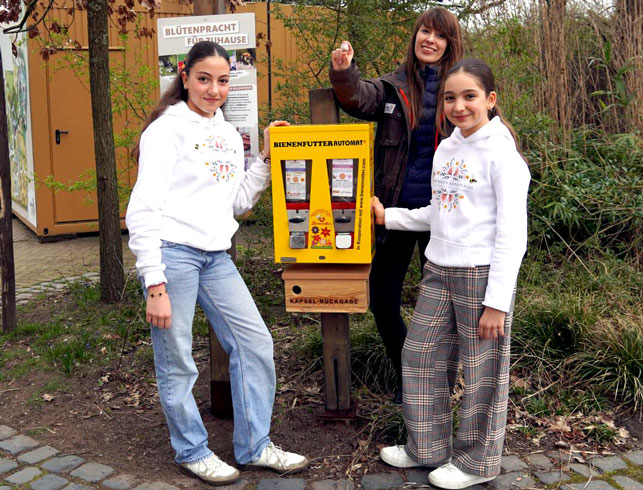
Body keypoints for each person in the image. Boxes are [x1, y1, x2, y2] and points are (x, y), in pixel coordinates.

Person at [126, 41, 307, 486]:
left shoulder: (227, 132)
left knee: (255, 344)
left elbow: (238, 201)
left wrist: (264, 157)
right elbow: (143, 210)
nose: (213, 89)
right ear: (185, 76)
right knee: (178, 361)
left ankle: (255, 446)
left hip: (215, 257)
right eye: (204, 79)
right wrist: (155, 283)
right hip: (173, 255)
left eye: (222, 80)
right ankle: (191, 449)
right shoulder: (165, 131)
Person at [372, 58, 530, 489]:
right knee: (419, 354)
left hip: (481, 276)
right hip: (439, 269)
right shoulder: (447, 147)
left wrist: (496, 303)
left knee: (483, 373)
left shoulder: (503, 156)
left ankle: (478, 463)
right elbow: (438, 213)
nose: (459, 106)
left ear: (490, 100)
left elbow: (513, 236)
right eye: (450, 98)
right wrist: (391, 218)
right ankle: (428, 447)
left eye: (469, 96)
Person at [329, 7, 463, 403]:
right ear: (415, 36)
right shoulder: (393, 87)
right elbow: (357, 97)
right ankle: (409, 372)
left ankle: (435, 385)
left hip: (443, 217)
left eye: (439, 35)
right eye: (425, 31)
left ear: (449, 44)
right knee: (382, 295)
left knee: (443, 304)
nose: (429, 40)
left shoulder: (460, 90)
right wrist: (343, 70)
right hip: (394, 214)